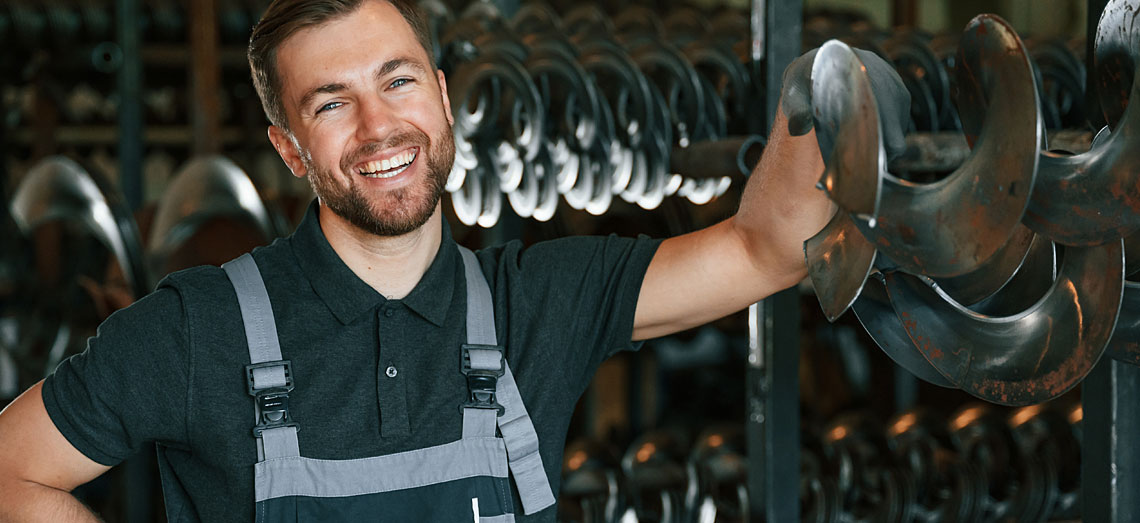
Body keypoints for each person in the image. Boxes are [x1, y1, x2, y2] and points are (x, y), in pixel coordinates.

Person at [0, 0, 908, 521]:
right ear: (289, 150)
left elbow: (766, 247)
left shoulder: (538, 302)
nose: (378, 127)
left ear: (439, 96)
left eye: (397, 80)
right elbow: (11, 467)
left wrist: (833, 94)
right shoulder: (198, 329)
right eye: (330, 103)